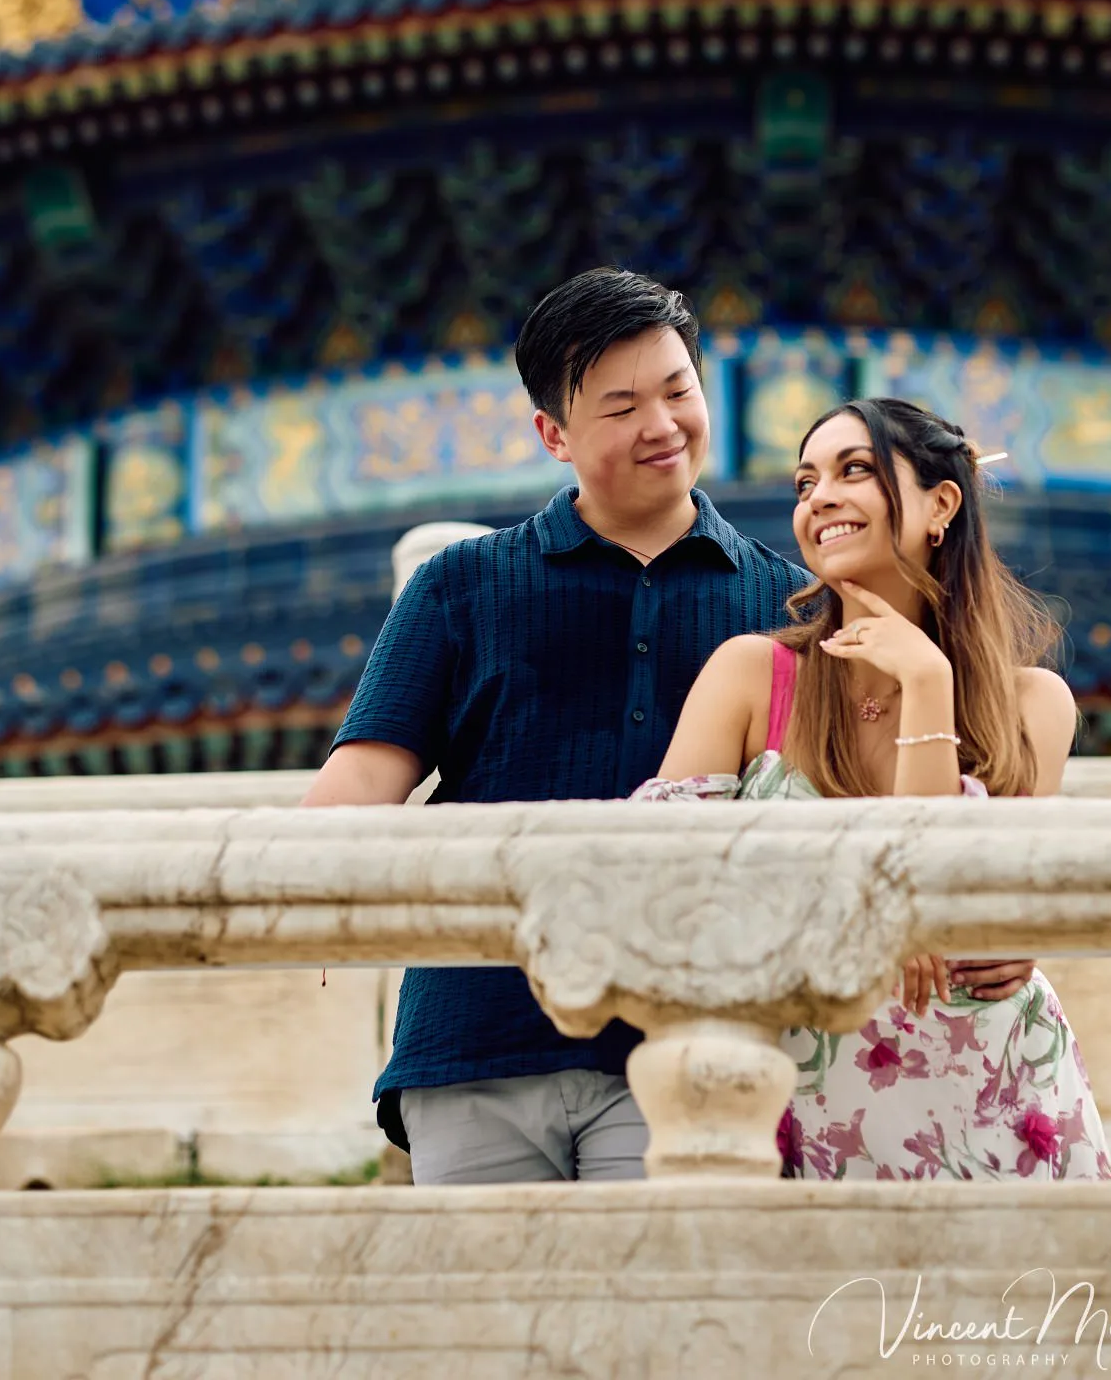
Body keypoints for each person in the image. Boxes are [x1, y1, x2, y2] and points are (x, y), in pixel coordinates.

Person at [300, 267, 806, 1184]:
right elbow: (364, 782)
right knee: (487, 1327)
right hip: (474, 1040)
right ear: (554, 434)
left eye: (677, 391)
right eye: (619, 407)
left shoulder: (783, 600)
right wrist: (309, 889)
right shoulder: (462, 585)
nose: (660, 426)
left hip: (686, 1045)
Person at [633, 396, 1111, 1182]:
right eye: (804, 481)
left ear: (940, 504)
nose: (817, 497)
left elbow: (954, 902)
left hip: (995, 1098)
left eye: (853, 471)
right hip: (809, 1103)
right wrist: (876, 916)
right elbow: (664, 885)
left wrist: (925, 680)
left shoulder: (1031, 704)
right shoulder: (752, 677)